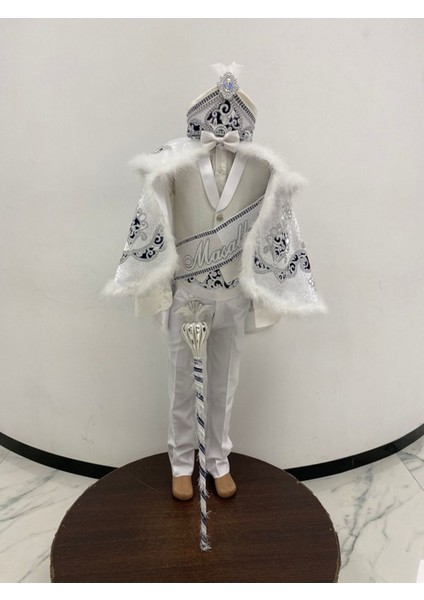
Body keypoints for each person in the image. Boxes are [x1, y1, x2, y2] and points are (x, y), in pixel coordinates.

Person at [101, 63, 328, 501]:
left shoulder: (263, 168)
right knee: (182, 383)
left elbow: (278, 225)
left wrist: (269, 289)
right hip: (187, 295)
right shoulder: (171, 163)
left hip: (233, 295)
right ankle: (181, 462)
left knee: (225, 383)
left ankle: (219, 459)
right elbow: (153, 217)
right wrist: (155, 287)